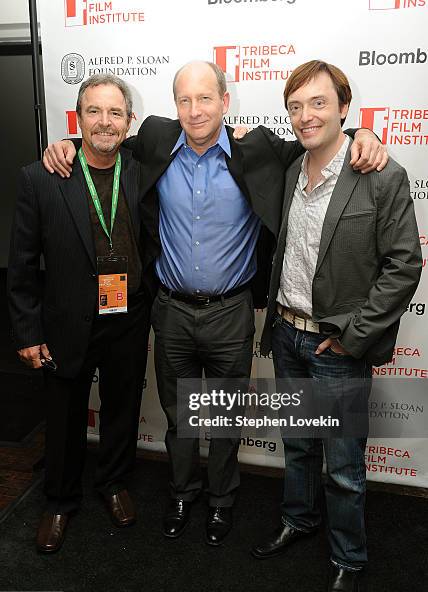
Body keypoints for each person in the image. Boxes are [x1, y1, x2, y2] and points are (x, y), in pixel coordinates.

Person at [42, 60, 386, 546]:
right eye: (184, 99)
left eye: (205, 98)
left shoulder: (259, 149)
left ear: (226, 102)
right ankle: (182, 492)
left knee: (222, 418)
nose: (195, 109)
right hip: (172, 311)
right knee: (180, 416)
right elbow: (105, 140)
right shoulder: (157, 143)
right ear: (173, 106)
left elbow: (319, 139)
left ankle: (222, 501)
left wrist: (362, 133)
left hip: (231, 312)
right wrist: (67, 144)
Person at [249, 60, 422, 592]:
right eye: (296, 106)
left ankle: (348, 558)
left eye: (319, 103)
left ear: (344, 108)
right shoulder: (290, 169)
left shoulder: (379, 173)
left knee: (344, 467)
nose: (306, 116)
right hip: (288, 336)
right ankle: (297, 520)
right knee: (299, 446)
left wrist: (354, 335)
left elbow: (404, 264)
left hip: (336, 347)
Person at [8, 75, 154, 554]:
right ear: (78, 119)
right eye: (94, 112)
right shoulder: (41, 178)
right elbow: (23, 264)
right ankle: (59, 500)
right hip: (66, 321)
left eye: (115, 113)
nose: (105, 122)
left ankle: (112, 483)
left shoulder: (143, 170)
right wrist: (27, 332)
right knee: (65, 415)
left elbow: (197, 128)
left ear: (129, 122)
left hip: (127, 318)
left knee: (122, 409)